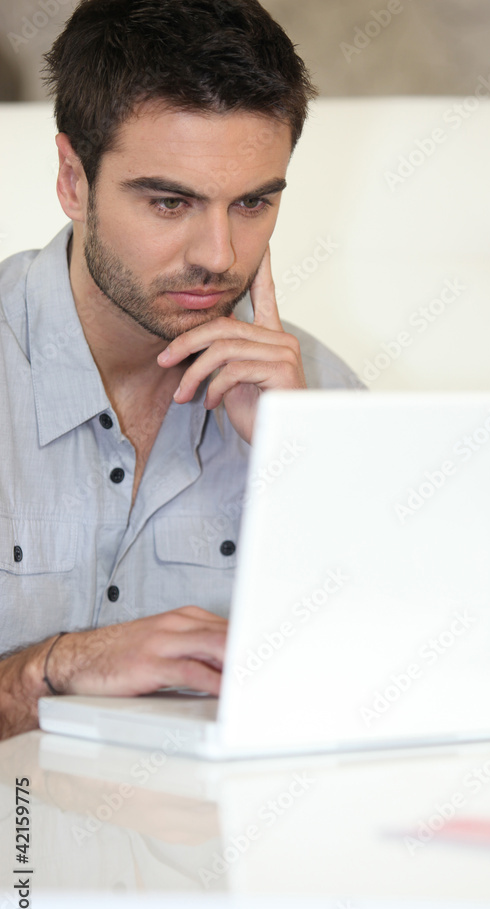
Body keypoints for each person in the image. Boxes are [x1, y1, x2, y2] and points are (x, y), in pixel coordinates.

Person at [0, 0, 364, 740]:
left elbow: (401, 683)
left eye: (253, 203)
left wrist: (305, 460)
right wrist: (56, 669)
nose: (219, 256)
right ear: (73, 180)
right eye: (170, 203)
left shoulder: (318, 393)